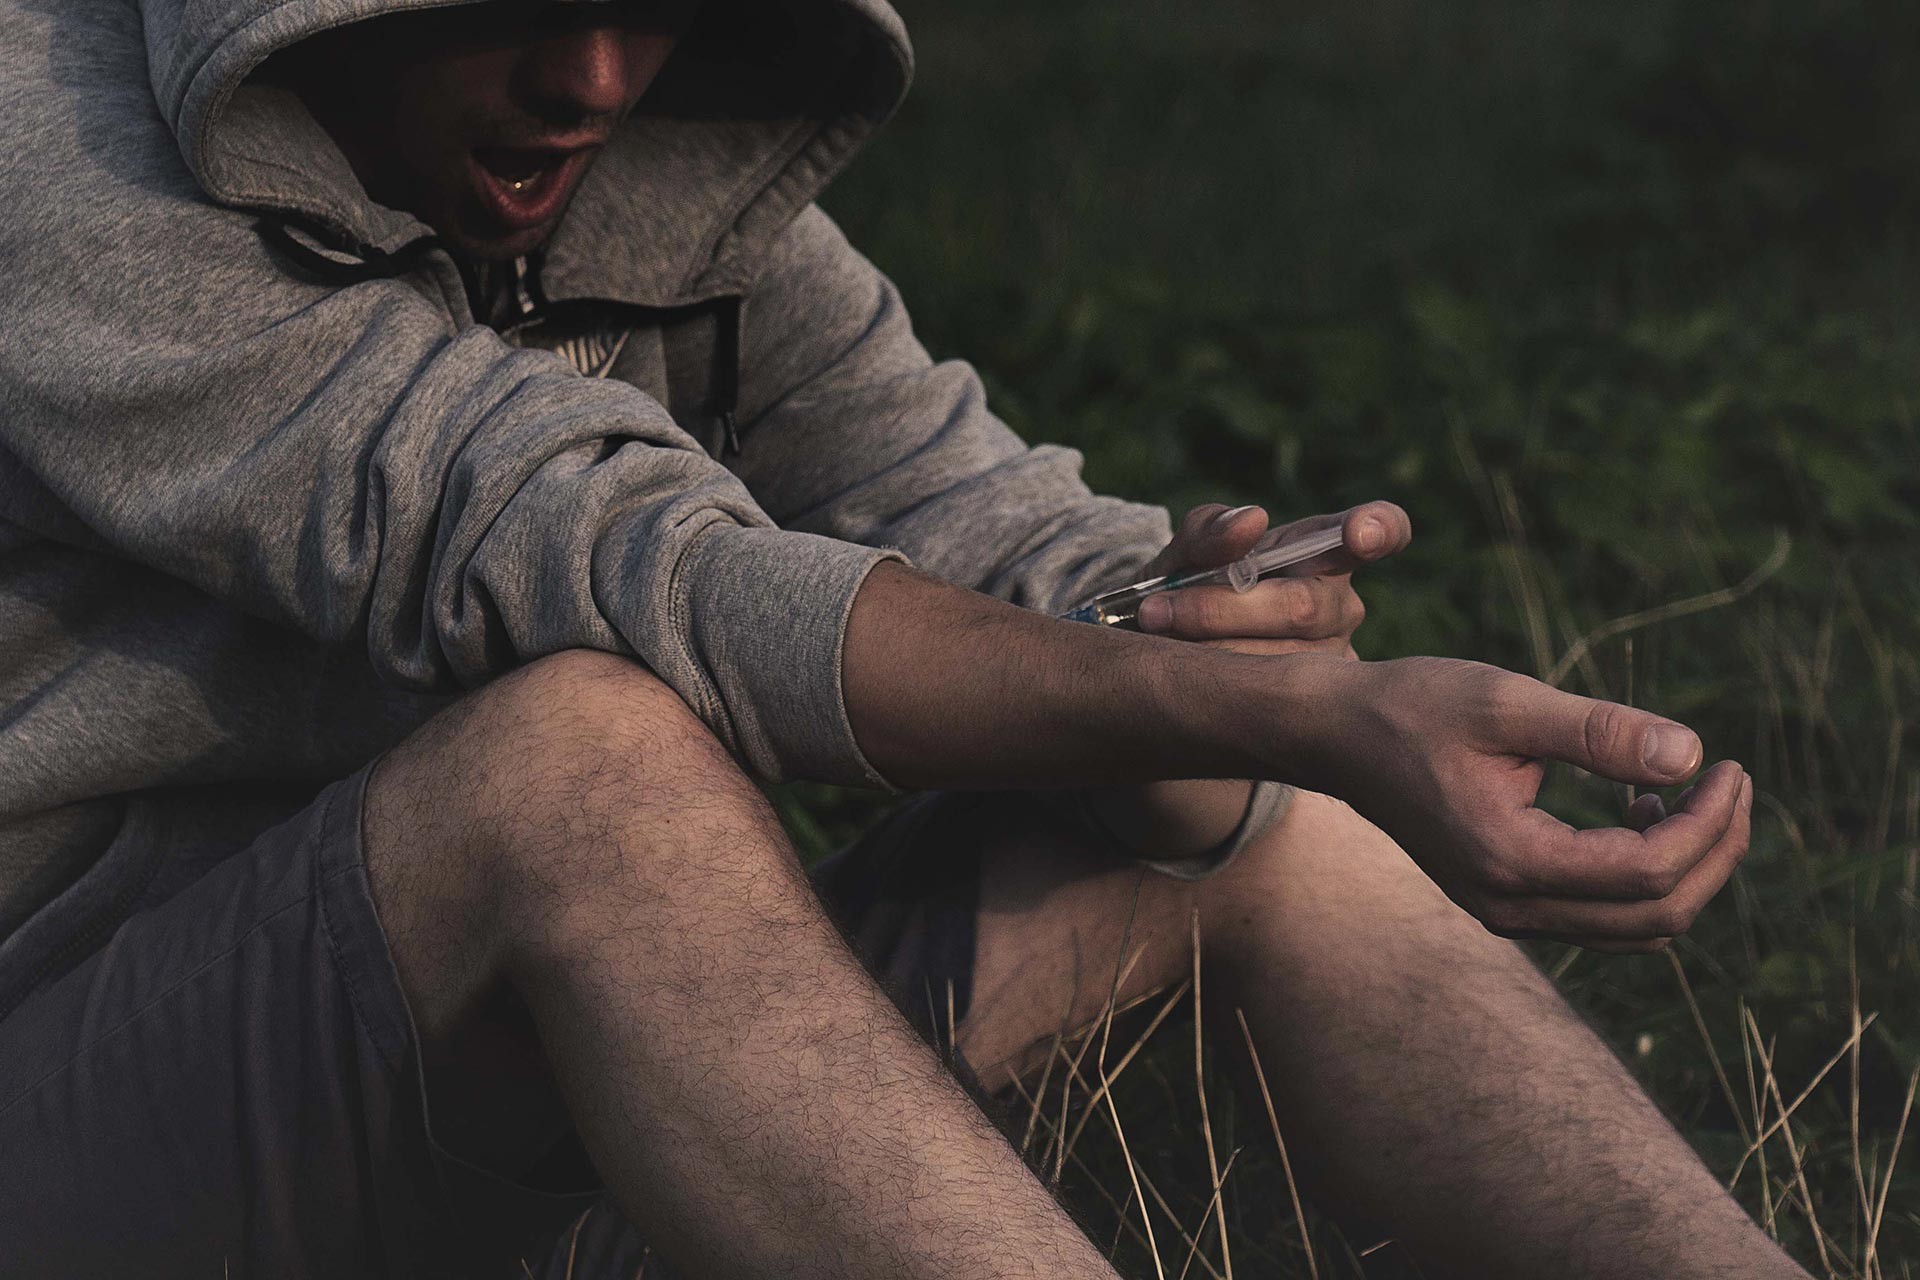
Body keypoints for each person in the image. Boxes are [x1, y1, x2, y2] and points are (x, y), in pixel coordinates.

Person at [0, 0, 1805, 1276]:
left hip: (490, 1124)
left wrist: (1209, 635)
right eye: (520, 1)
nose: (596, 78)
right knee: (585, 762)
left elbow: (945, 484)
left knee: (1242, 779)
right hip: (81, 1152)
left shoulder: (638, 166)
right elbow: (584, 548)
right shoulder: (49, 137)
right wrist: (1199, 694)